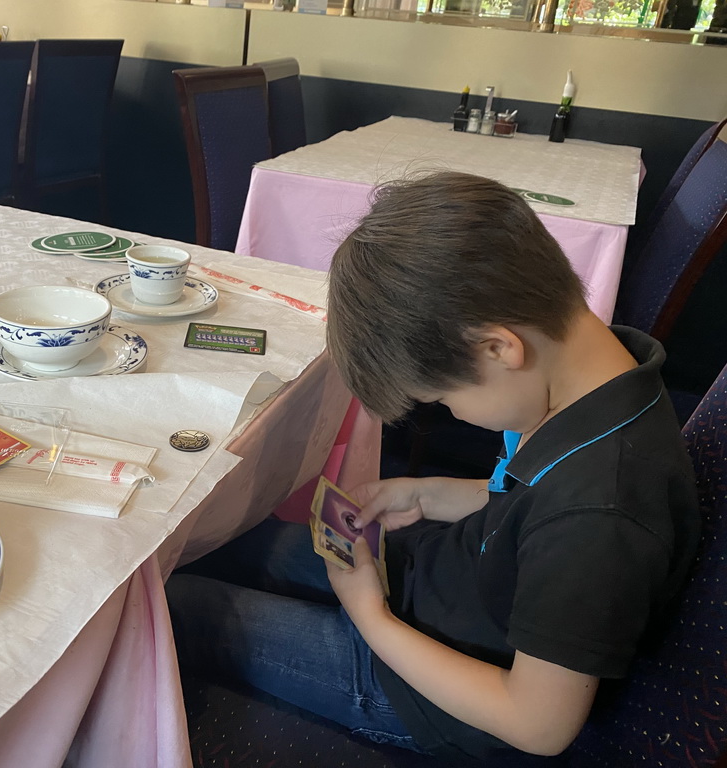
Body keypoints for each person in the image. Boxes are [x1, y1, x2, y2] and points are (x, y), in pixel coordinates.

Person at [165, 171, 701, 762]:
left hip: (428, 693)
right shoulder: (598, 374)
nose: (450, 412)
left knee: (173, 611)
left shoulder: (601, 513)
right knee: (214, 541)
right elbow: (529, 503)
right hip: (435, 580)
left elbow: (538, 725)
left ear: (498, 347)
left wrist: (370, 617)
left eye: (444, 400)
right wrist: (435, 494)